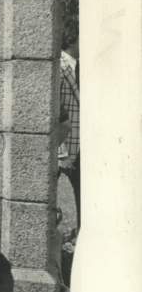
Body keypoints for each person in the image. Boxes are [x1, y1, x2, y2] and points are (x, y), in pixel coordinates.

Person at [59, 46, 80, 227]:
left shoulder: (82, 66)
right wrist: (61, 153)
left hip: (81, 146)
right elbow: (52, 112)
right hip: (63, 149)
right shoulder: (59, 64)